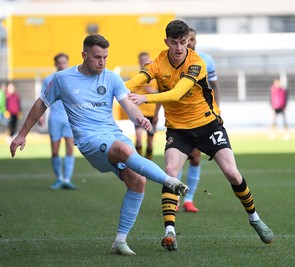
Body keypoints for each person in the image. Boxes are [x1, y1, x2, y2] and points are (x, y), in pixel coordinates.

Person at [10, 34, 189, 256]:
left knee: (138, 181)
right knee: (125, 150)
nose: (102, 62)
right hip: (89, 141)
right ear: (84, 55)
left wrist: (139, 117)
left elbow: (128, 105)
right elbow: (41, 104)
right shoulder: (62, 79)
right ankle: (169, 181)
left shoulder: (111, 77)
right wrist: (22, 134)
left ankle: (120, 241)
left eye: (105, 57)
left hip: (113, 134)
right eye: (97, 57)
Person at [126, 20, 274, 251]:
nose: (179, 47)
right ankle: (170, 232)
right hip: (178, 130)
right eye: (174, 43)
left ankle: (254, 218)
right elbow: (137, 80)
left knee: (232, 174)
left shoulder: (197, 63)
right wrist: (118, 89)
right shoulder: (158, 62)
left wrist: (146, 98)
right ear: (167, 42)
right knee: (171, 174)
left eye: (183, 43)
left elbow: (176, 93)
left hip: (208, 126)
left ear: (188, 42)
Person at [174, 27, 222, 213]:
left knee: (195, 157)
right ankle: (175, 198)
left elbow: (215, 86)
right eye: (188, 40)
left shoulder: (206, 60)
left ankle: (189, 199)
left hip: (200, 116)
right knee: (177, 160)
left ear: (195, 41)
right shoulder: (174, 60)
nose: (190, 43)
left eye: (192, 39)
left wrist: (216, 108)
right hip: (178, 118)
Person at [39, 53, 77, 190]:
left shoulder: (73, 79)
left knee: (69, 149)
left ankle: (67, 179)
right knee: (55, 151)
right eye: (59, 62)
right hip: (55, 118)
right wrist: (41, 116)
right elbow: (43, 100)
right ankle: (59, 178)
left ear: (67, 63)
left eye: (64, 62)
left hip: (69, 120)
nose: (62, 65)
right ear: (55, 64)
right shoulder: (49, 79)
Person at [130, 52, 160, 160]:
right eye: (142, 60)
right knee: (138, 138)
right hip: (139, 113)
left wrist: (153, 91)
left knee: (150, 142)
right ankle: (138, 162)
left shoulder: (156, 78)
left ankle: (148, 164)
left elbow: (161, 95)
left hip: (152, 113)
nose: (144, 62)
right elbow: (129, 93)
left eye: (146, 59)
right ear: (139, 62)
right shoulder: (136, 78)